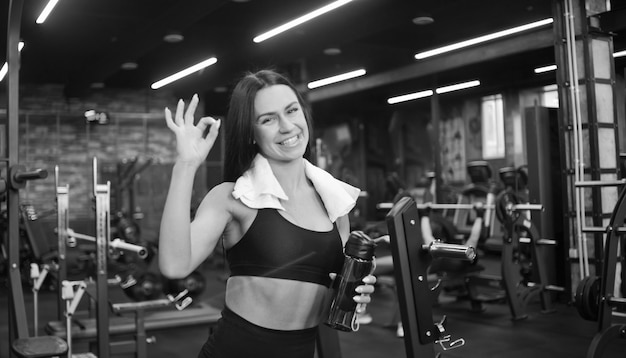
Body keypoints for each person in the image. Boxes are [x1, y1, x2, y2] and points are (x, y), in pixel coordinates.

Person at [158, 69, 376, 358]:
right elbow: (174, 266)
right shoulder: (232, 197)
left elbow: (324, 301)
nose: (287, 126)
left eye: (291, 110)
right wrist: (185, 166)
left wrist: (354, 293)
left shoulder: (334, 202)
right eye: (268, 119)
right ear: (251, 133)